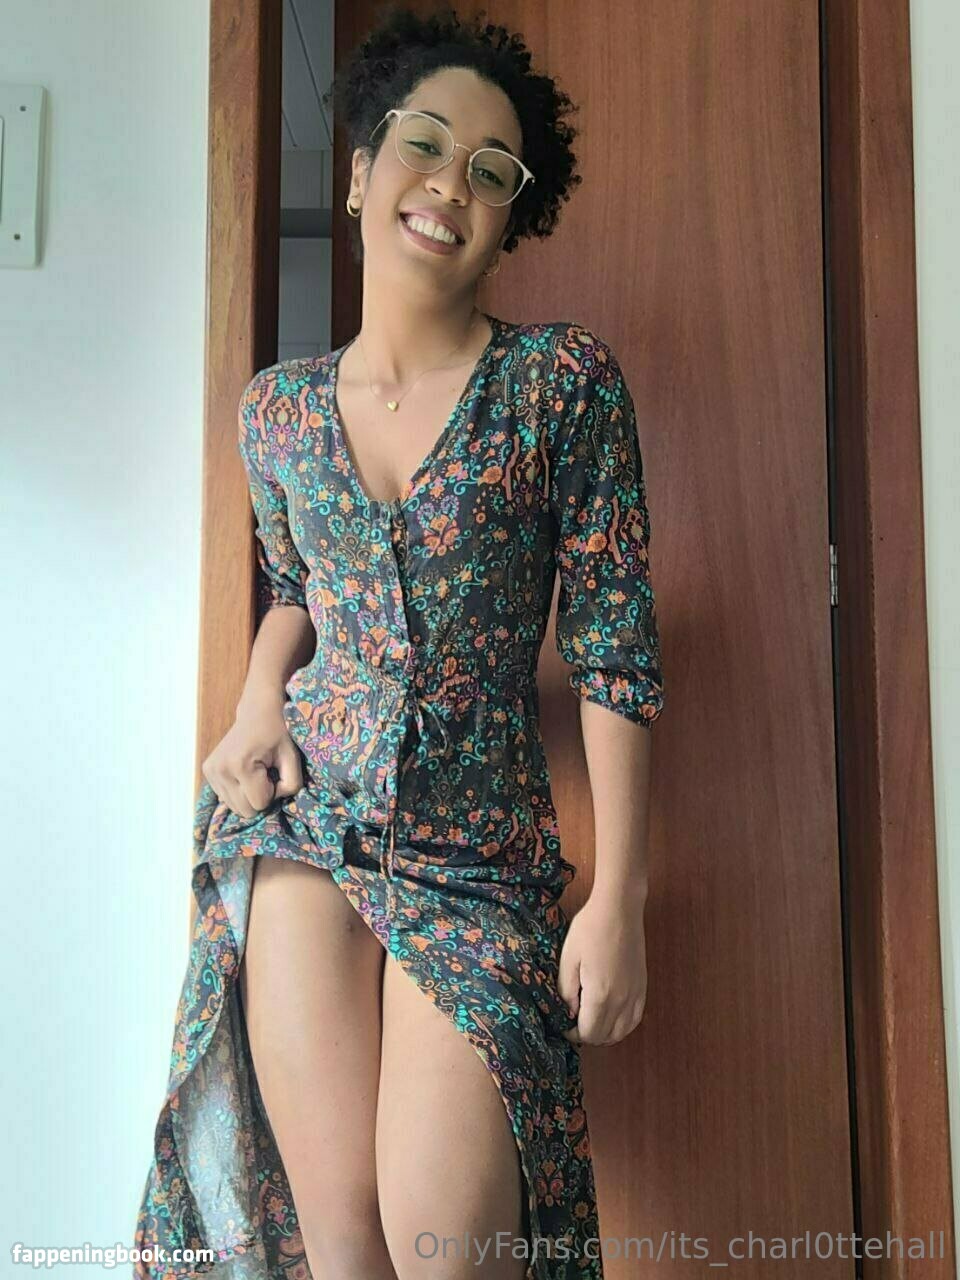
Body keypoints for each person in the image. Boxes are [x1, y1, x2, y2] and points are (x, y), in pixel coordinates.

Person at [133, 6, 664, 1279]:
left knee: (444, 1251)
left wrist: (620, 894)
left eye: (492, 168)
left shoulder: (561, 386)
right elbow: (298, 587)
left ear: (512, 217)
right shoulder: (277, 412)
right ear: (362, 170)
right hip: (308, 827)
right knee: (342, 1246)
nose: (451, 182)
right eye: (424, 145)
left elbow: (613, 647)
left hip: (481, 855)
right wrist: (258, 703)